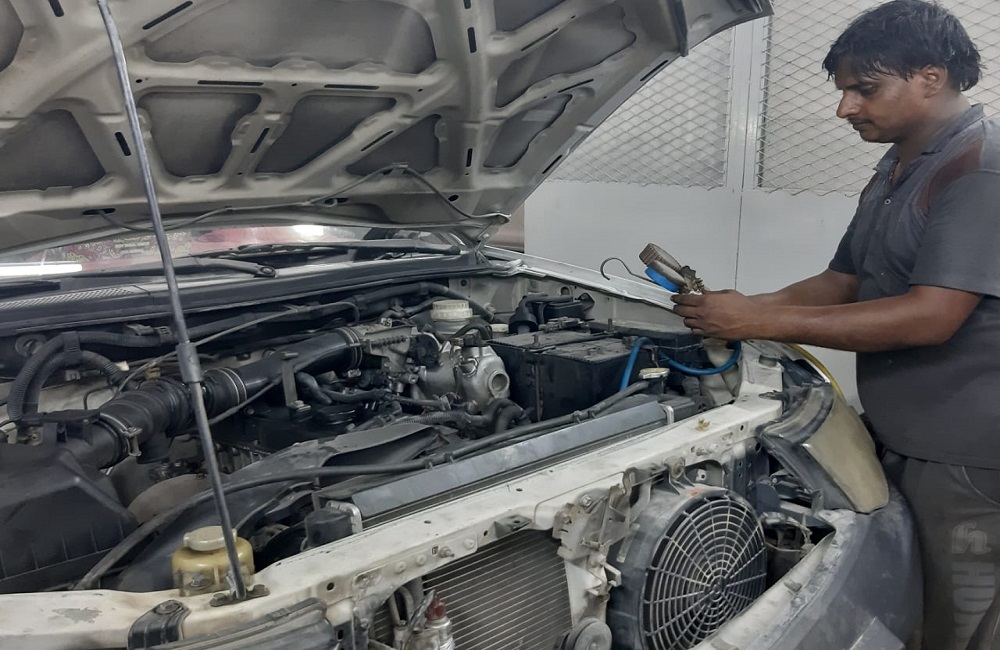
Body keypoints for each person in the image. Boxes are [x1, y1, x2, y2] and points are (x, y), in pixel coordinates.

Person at [671, 1, 999, 648]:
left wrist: (759, 320)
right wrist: (746, 310)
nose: (845, 107)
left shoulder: (979, 169)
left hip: (965, 453)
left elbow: (933, 315)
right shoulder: (900, 164)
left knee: (955, 620)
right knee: (903, 592)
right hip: (903, 430)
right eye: (844, 89)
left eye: (864, 89)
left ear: (931, 78)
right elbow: (844, 280)